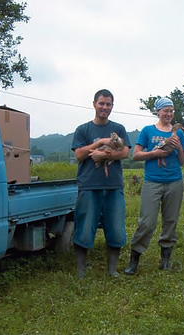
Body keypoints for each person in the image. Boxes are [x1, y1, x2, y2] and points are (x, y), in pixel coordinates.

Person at [124, 97, 184, 275]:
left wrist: (180, 149)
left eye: (171, 111)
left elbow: (183, 161)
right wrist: (154, 153)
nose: (169, 114)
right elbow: (135, 155)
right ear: (158, 112)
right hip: (152, 181)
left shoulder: (179, 134)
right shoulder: (147, 131)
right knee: (147, 221)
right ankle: (134, 259)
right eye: (165, 110)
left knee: (170, 221)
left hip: (174, 181)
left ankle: (165, 259)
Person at [71, 89, 131, 278]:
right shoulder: (83, 129)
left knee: (116, 227)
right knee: (85, 227)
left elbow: (125, 152)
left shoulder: (119, 128)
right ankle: (81, 270)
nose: (105, 107)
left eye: (108, 104)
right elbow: (79, 155)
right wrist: (99, 144)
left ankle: (112, 269)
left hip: (113, 186)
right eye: (101, 103)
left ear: (112, 106)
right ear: (94, 104)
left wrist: (103, 155)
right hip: (89, 185)